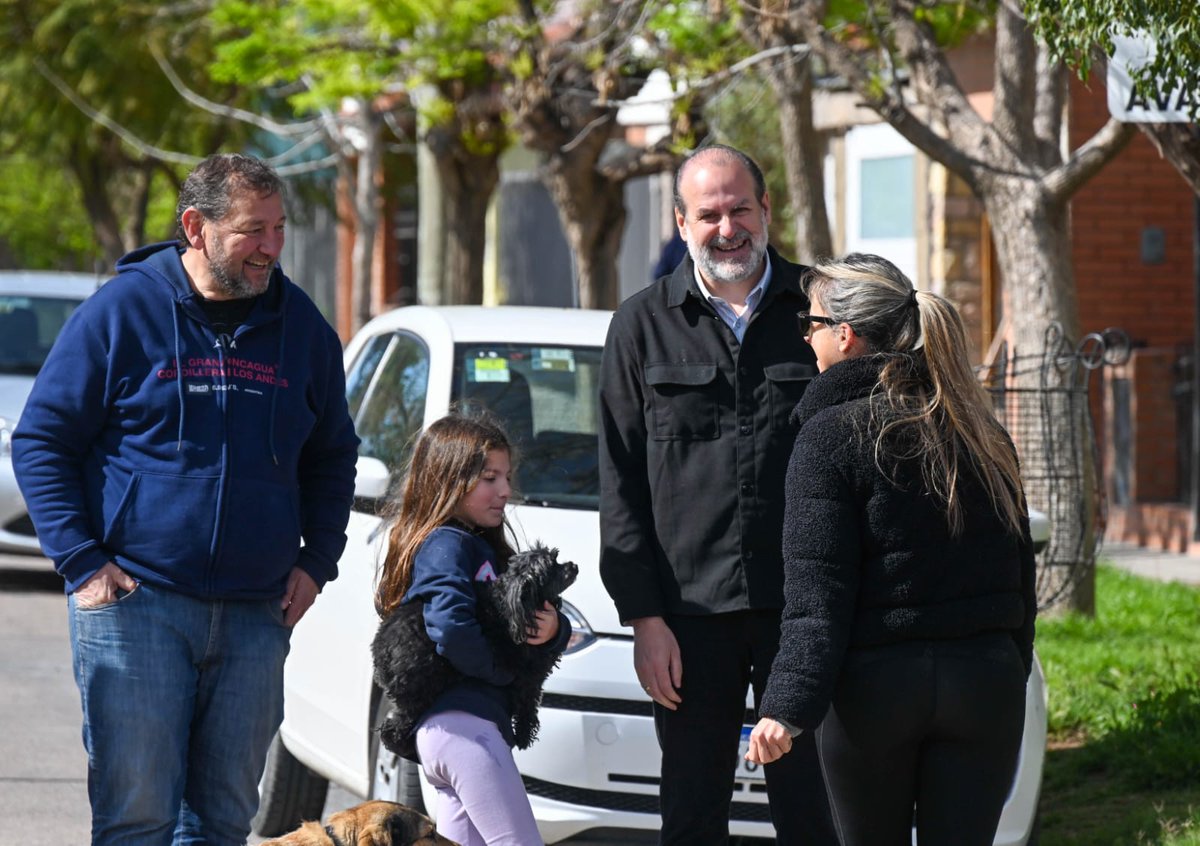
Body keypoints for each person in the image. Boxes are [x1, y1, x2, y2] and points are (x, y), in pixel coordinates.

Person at [11, 153, 360, 845]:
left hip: (256, 614)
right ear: (195, 227)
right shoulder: (122, 311)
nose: (270, 247)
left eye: (279, 228)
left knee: (222, 820)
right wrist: (81, 561)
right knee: (137, 816)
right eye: (251, 230)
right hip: (136, 605)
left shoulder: (303, 329)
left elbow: (332, 457)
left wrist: (317, 560)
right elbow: (42, 440)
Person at [746, 254, 1037, 846]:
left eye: (813, 322)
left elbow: (816, 597)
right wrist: (1011, 664)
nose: (806, 335)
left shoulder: (829, 436)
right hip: (986, 684)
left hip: (876, 691)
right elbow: (1021, 580)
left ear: (845, 335)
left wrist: (785, 706)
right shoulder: (982, 431)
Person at [598, 144, 834, 844]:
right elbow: (620, 483)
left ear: (766, 210)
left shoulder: (821, 313)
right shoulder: (639, 326)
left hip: (805, 611)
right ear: (680, 223)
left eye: (739, 209)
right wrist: (644, 619)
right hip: (688, 619)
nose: (726, 228)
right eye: (709, 214)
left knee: (816, 811)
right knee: (693, 814)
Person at [375, 413, 571, 846]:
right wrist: (501, 674)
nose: (504, 490)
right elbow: (450, 626)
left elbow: (516, 619)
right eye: (489, 478)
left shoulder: (478, 546)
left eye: (506, 476)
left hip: (452, 734)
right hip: (466, 730)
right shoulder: (448, 543)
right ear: (447, 480)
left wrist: (555, 627)